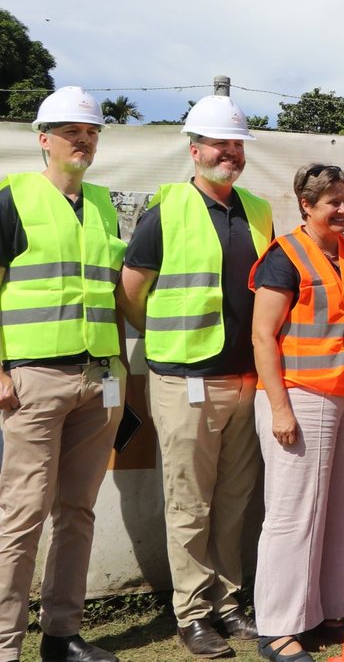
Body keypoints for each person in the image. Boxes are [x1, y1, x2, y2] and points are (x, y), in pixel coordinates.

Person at [119, 96, 270, 659]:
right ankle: (193, 612)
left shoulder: (257, 210)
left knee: (235, 499)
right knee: (189, 503)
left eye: (237, 145)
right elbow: (132, 294)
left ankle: (229, 603)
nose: (230, 153)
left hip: (244, 379)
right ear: (195, 149)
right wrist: (164, 341)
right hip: (185, 381)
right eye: (220, 144)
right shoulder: (166, 211)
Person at [0, 87, 126, 662]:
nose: (83, 139)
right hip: (33, 379)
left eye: (91, 131)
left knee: (77, 510)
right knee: (23, 514)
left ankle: (62, 634)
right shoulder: (12, 199)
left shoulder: (103, 204)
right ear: (43, 138)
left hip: (100, 378)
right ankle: (5, 645)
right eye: (72, 131)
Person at [249, 163, 344, 662]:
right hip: (299, 395)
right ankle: (278, 626)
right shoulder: (285, 256)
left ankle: (326, 611)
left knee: (339, 510)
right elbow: (263, 336)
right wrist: (279, 407)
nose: (342, 210)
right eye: (332, 203)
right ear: (306, 204)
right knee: (293, 513)